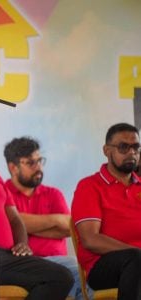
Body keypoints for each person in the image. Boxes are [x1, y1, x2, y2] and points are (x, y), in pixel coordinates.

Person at [3, 136, 90, 299]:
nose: (38, 167)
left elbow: (67, 227)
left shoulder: (53, 194)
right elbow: (8, 224)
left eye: (40, 160)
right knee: (71, 270)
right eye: (30, 163)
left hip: (58, 260)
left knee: (82, 270)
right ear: (13, 167)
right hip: (24, 265)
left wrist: (25, 225)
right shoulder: (3, 192)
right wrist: (54, 220)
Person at [71, 122, 141, 299]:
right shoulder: (90, 186)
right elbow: (90, 240)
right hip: (103, 266)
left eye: (136, 147)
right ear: (106, 150)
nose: (131, 153)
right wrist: (136, 252)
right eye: (124, 147)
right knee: (136, 260)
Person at [0, 170, 74, 299]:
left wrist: (22, 243)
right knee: (64, 275)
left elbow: (15, 218)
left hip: (8, 256)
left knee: (63, 277)